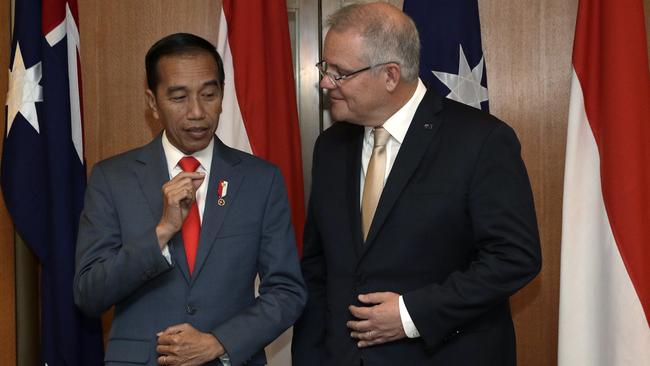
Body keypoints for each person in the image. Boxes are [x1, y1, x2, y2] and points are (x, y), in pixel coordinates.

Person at [291, 2, 541, 365]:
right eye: (326, 68)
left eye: (340, 73)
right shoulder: (330, 147)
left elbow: (515, 257)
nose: (326, 82)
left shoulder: (481, 140)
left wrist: (411, 314)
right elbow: (317, 269)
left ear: (391, 75)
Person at [74, 33, 306, 366]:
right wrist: (161, 233)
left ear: (222, 95)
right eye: (179, 97)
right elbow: (89, 294)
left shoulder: (260, 180)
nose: (197, 112)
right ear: (153, 103)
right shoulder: (113, 179)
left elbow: (287, 291)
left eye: (209, 94)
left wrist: (219, 342)